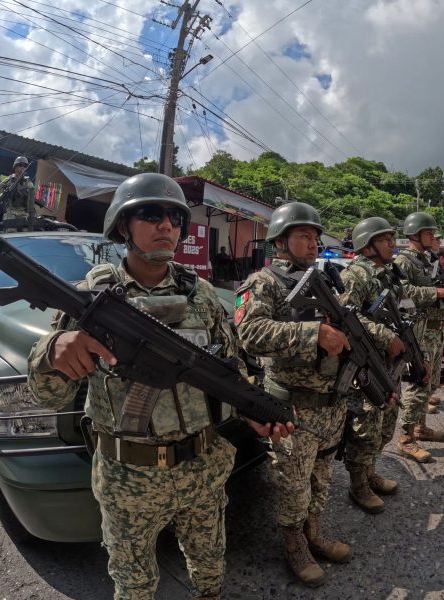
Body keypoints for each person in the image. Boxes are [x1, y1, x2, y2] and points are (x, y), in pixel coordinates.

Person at [27, 173, 292, 600]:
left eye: (174, 216)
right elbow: (49, 396)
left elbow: (229, 370)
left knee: (210, 571)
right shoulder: (96, 296)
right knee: (134, 586)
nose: (165, 224)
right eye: (149, 214)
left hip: (202, 468)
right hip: (128, 478)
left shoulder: (202, 296)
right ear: (122, 226)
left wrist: (253, 410)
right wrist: (55, 350)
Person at [235, 201, 357, 587]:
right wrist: (312, 334)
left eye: (316, 237)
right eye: (304, 235)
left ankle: (313, 533)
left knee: (321, 475)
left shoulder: (323, 283)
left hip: (329, 404)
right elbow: (249, 334)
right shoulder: (263, 283)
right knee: (293, 482)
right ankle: (294, 544)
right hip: (293, 406)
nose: (313, 243)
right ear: (281, 241)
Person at [339, 217, 431, 513]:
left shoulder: (389, 273)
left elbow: (406, 309)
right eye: (385, 239)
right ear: (367, 246)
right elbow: (345, 315)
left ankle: (370, 471)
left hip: (391, 362)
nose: (392, 243)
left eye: (392, 237)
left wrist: (418, 352)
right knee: (366, 425)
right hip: (367, 364)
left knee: (387, 422)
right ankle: (358, 483)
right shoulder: (355, 275)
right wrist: (385, 335)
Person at [394, 212, 444, 462]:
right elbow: (401, 291)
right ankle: (406, 439)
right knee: (419, 383)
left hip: (434, 329)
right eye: (428, 232)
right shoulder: (404, 261)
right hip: (419, 330)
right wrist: (435, 292)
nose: (433, 236)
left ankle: (420, 427)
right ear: (415, 235)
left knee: (430, 384)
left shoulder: (425, 260)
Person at [0, 156, 36, 220]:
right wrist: (5, 193)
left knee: (27, 229)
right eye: (20, 165)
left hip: (24, 214)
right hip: (10, 213)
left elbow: (31, 204)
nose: (22, 168)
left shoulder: (29, 184)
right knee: (10, 227)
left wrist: (26, 195)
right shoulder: (7, 181)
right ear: (15, 167)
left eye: (24, 166)